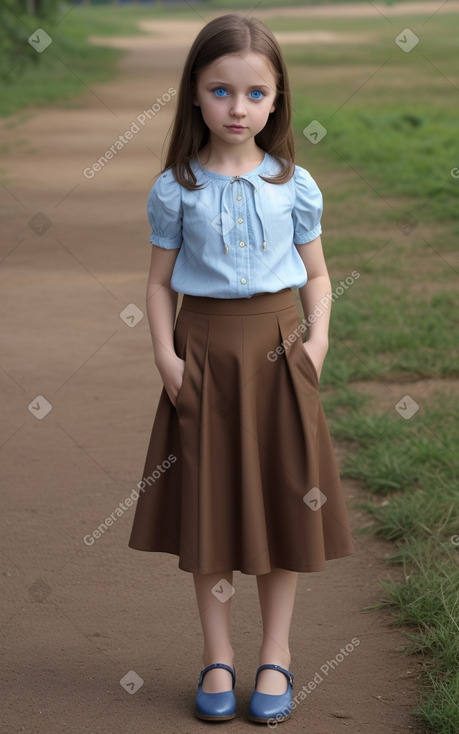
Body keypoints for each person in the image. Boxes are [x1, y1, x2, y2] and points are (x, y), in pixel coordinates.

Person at [128, 13, 354, 725]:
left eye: (254, 93)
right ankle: (217, 655)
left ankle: (275, 655)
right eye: (220, 90)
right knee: (211, 510)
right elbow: (160, 283)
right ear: (194, 94)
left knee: (286, 503)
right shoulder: (177, 187)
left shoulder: (295, 184)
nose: (237, 107)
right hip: (201, 357)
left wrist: (314, 348)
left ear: (276, 98)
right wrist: (165, 355)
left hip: (281, 353)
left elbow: (316, 277)